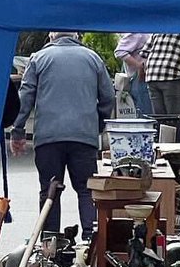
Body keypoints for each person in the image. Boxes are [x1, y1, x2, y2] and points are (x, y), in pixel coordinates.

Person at [10, 31, 116, 239]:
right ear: (77, 35)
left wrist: (18, 130)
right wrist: (97, 123)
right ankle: (90, 239)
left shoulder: (38, 58)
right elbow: (108, 97)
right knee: (87, 190)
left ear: (51, 36)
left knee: (49, 190)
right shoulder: (93, 58)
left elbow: (26, 96)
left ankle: (50, 243)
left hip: (48, 138)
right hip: (84, 136)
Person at [144, 34, 180, 118]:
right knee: (174, 118)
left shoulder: (158, 30)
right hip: (171, 76)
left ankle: (161, 130)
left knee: (160, 117)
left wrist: (147, 72)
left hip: (152, 75)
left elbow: (145, 54)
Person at [114, 32, 152, 116]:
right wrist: (139, 66)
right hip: (140, 78)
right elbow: (120, 51)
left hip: (144, 76)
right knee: (146, 113)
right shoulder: (138, 32)